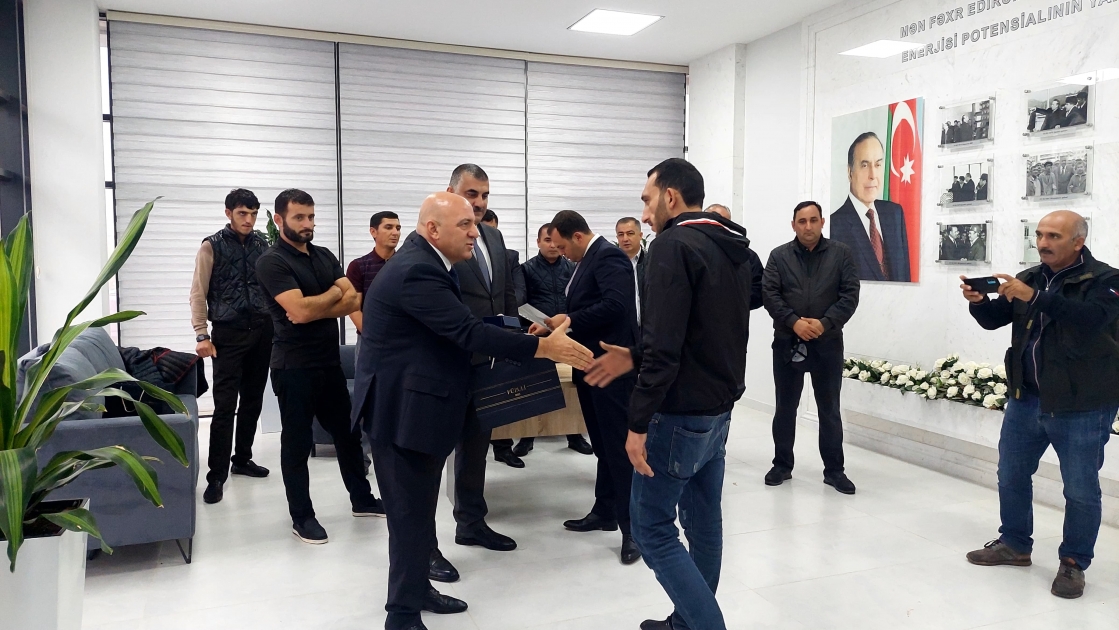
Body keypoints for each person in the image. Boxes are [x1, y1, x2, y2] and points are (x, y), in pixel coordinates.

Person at [354, 192, 593, 630]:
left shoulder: (429, 262)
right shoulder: (418, 270)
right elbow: (465, 331)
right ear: (433, 229)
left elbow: (456, 329)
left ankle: (416, 592)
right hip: (402, 411)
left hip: (417, 405)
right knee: (410, 518)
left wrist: (522, 336)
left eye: (475, 223)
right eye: (464, 224)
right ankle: (401, 617)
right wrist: (541, 348)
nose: (474, 233)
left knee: (418, 513)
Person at [583, 158, 763, 630]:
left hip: (678, 413)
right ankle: (687, 621)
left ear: (670, 196)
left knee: (651, 528)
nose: (644, 216)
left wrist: (637, 422)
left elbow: (666, 348)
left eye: (647, 201)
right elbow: (701, 330)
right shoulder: (733, 246)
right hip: (717, 412)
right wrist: (634, 355)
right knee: (703, 522)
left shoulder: (670, 246)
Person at [960, 210, 1119, 601]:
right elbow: (994, 320)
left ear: (1078, 241)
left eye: (1053, 236)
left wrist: (1035, 297)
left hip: (1082, 405)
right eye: (1040, 235)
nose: (1043, 243)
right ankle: (1015, 544)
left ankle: (1074, 562)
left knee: (1080, 489)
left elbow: (1090, 319)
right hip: (1026, 398)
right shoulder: (1030, 277)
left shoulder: (1107, 280)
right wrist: (979, 302)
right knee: (1011, 475)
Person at [254, 188, 383, 544]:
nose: (307, 224)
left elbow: (352, 299)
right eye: (299, 217)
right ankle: (302, 517)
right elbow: (298, 310)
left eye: (311, 217)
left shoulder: (324, 255)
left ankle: (362, 499)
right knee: (297, 445)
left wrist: (318, 305)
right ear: (279, 219)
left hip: (328, 363)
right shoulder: (272, 262)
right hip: (293, 367)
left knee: (348, 435)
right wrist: (330, 297)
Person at [529, 210, 642, 565]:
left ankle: (633, 530)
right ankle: (605, 511)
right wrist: (556, 326)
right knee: (604, 447)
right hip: (589, 367)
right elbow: (588, 306)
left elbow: (616, 306)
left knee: (619, 449)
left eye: (563, 246)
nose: (562, 254)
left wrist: (569, 319)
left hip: (611, 368)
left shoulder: (609, 257)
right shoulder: (586, 261)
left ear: (577, 236)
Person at [762, 201, 861, 494]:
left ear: (822, 222)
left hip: (827, 343)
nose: (808, 226)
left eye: (813, 220)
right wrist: (794, 322)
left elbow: (850, 294)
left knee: (829, 410)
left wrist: (824, 323)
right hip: (787, 342)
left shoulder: (841, 254)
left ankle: (834, 471)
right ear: (793, 225)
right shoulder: (778, 256)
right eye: (802, 221)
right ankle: (782, 465)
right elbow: (770, 294)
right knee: (785, 407)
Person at [190, 188, 273, 505]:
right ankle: (216, 476)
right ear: (229, 213)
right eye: (242, 213)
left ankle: (242, 459)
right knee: (225, 407)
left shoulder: (262, 245)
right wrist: (202, 334)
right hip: (228, 334)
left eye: (253, 214)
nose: (249, 220)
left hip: (262, 331)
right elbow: (198, 293)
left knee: (252, 400)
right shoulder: (211, 246)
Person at [512, 223, 595, 458]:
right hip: (539, 333)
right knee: (535, 385)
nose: (551, 245)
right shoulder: (526, 269)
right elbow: (521, 301)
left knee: (574, 386)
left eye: (554, 241)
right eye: (546, 240)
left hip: (569, 332)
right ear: (538, 242)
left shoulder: (572, 266)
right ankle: (527, 437)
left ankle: (575, 435)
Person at [829, 132, 912, 282]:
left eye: (878, 164)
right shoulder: (833, 227)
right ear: (850, 173)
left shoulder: (895, 214)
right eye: (865, 165)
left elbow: (905, 278)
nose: (873, 175)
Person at [346, 211, 401, 335]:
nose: (395, 232)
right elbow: (354, 308)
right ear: (373, 232)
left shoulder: (406, 265)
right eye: (388, 227)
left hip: (403, 338)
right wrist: (371, 335)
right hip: (369, 338)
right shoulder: (358, 266)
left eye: (398, 228)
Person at [480, 210, 526, 306]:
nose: (489, 235)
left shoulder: (511, 258)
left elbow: (519, 292)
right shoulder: (468, 256)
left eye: (492, 230)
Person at [615, 216, 646, 321]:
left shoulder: (652, 262)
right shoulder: (610, 265)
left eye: (630, 233)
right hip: (621, 327)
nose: (625, 239)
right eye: (621, 234)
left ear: (640, 235)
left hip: (649, 326)